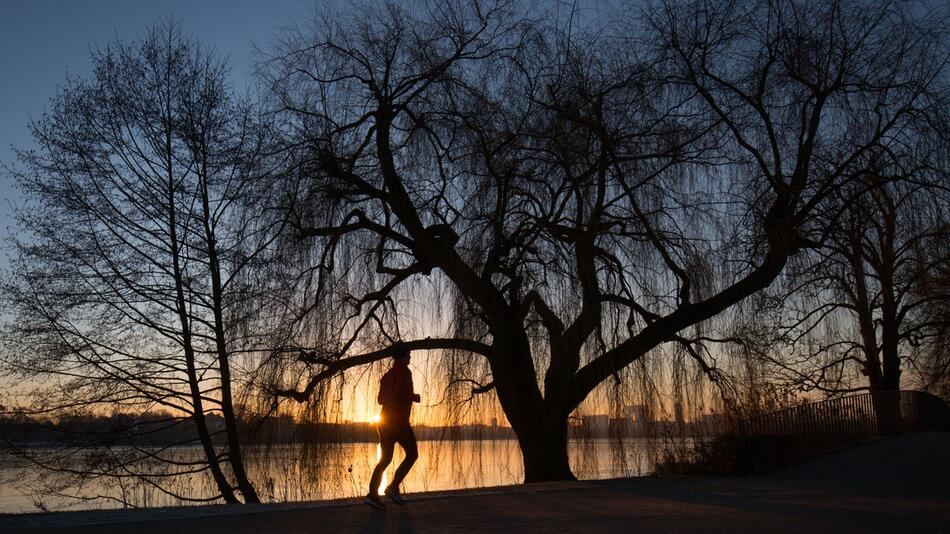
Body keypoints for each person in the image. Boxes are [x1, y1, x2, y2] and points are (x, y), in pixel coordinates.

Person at [364, 345, 420, 509]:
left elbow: (380, 400)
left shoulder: (387, 376)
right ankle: (393, 487)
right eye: (409, 354)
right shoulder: (404, 371)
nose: (410, 357)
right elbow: (400, 391)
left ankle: (373, 495)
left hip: (384, 422)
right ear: (402, 356)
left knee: (385, 459)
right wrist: (414, 397)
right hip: (399, 422)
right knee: (412, 454)